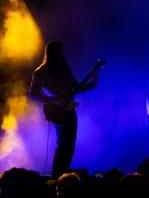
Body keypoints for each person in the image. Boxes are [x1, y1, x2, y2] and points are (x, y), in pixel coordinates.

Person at [29, 41, 99, 177]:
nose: (62, 55)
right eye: (60, 52)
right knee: (64, 143)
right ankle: (58, 175)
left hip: (67, 109)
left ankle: (61, 173)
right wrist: (51, 99)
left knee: (67, 144)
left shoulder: (63, 69)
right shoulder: (41, 71)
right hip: (55, 111)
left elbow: (76, 88)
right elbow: (33, 94)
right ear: (53, 53)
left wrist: (93, 82)